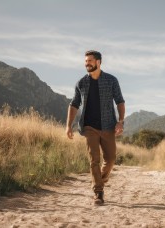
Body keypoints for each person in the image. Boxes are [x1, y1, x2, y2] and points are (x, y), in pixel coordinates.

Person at [66, 50, 125, 205]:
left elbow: (120, 101)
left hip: (108, 126)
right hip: (89, 127)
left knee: (111, 159)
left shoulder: (111, 80)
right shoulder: (81, 83)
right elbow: (73, 105)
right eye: (86, 61)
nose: (87, 63)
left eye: (90, 61)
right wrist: (68, 125)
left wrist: (121, 121)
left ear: (99, 62)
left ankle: (99, 180)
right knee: (94, 160)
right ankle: (98, 192)